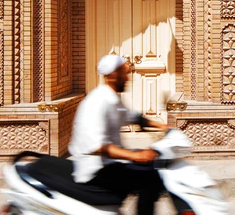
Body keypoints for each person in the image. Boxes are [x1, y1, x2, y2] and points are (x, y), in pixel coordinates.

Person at [68, 54, 169, 215]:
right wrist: (136, 156)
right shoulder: (97, 102)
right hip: (95, 169)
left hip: (109, 163)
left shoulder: (112, 98)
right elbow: (99, 147)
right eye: (124, 73)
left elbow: (133, 117)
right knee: (150, 179)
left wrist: (163, 126)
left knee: (154, 165)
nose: (128, 78)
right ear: (112, 76)